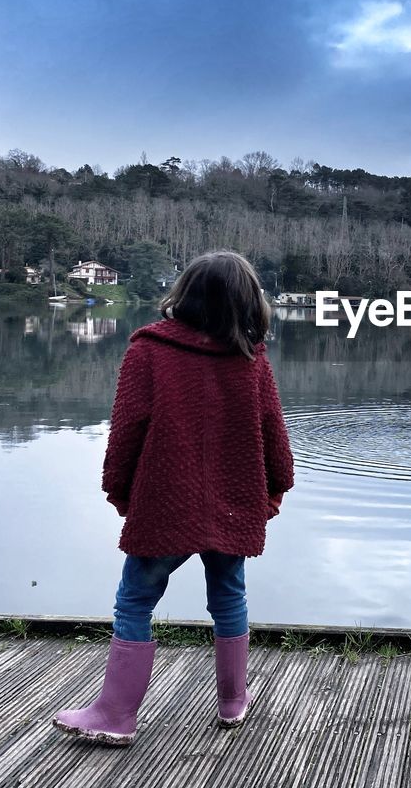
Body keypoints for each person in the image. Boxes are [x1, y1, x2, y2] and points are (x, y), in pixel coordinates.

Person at [53, 250, 295, 746]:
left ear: (184, 292)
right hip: (234, 499)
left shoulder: (148, 350)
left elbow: (126, 431)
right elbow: (275, 433)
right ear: (249, 302)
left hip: (165, 497)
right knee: (229, 596)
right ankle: (233, 702)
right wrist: (272, 491)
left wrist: (120, 491)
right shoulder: (251, 357)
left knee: (136, 600)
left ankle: (116, 713)